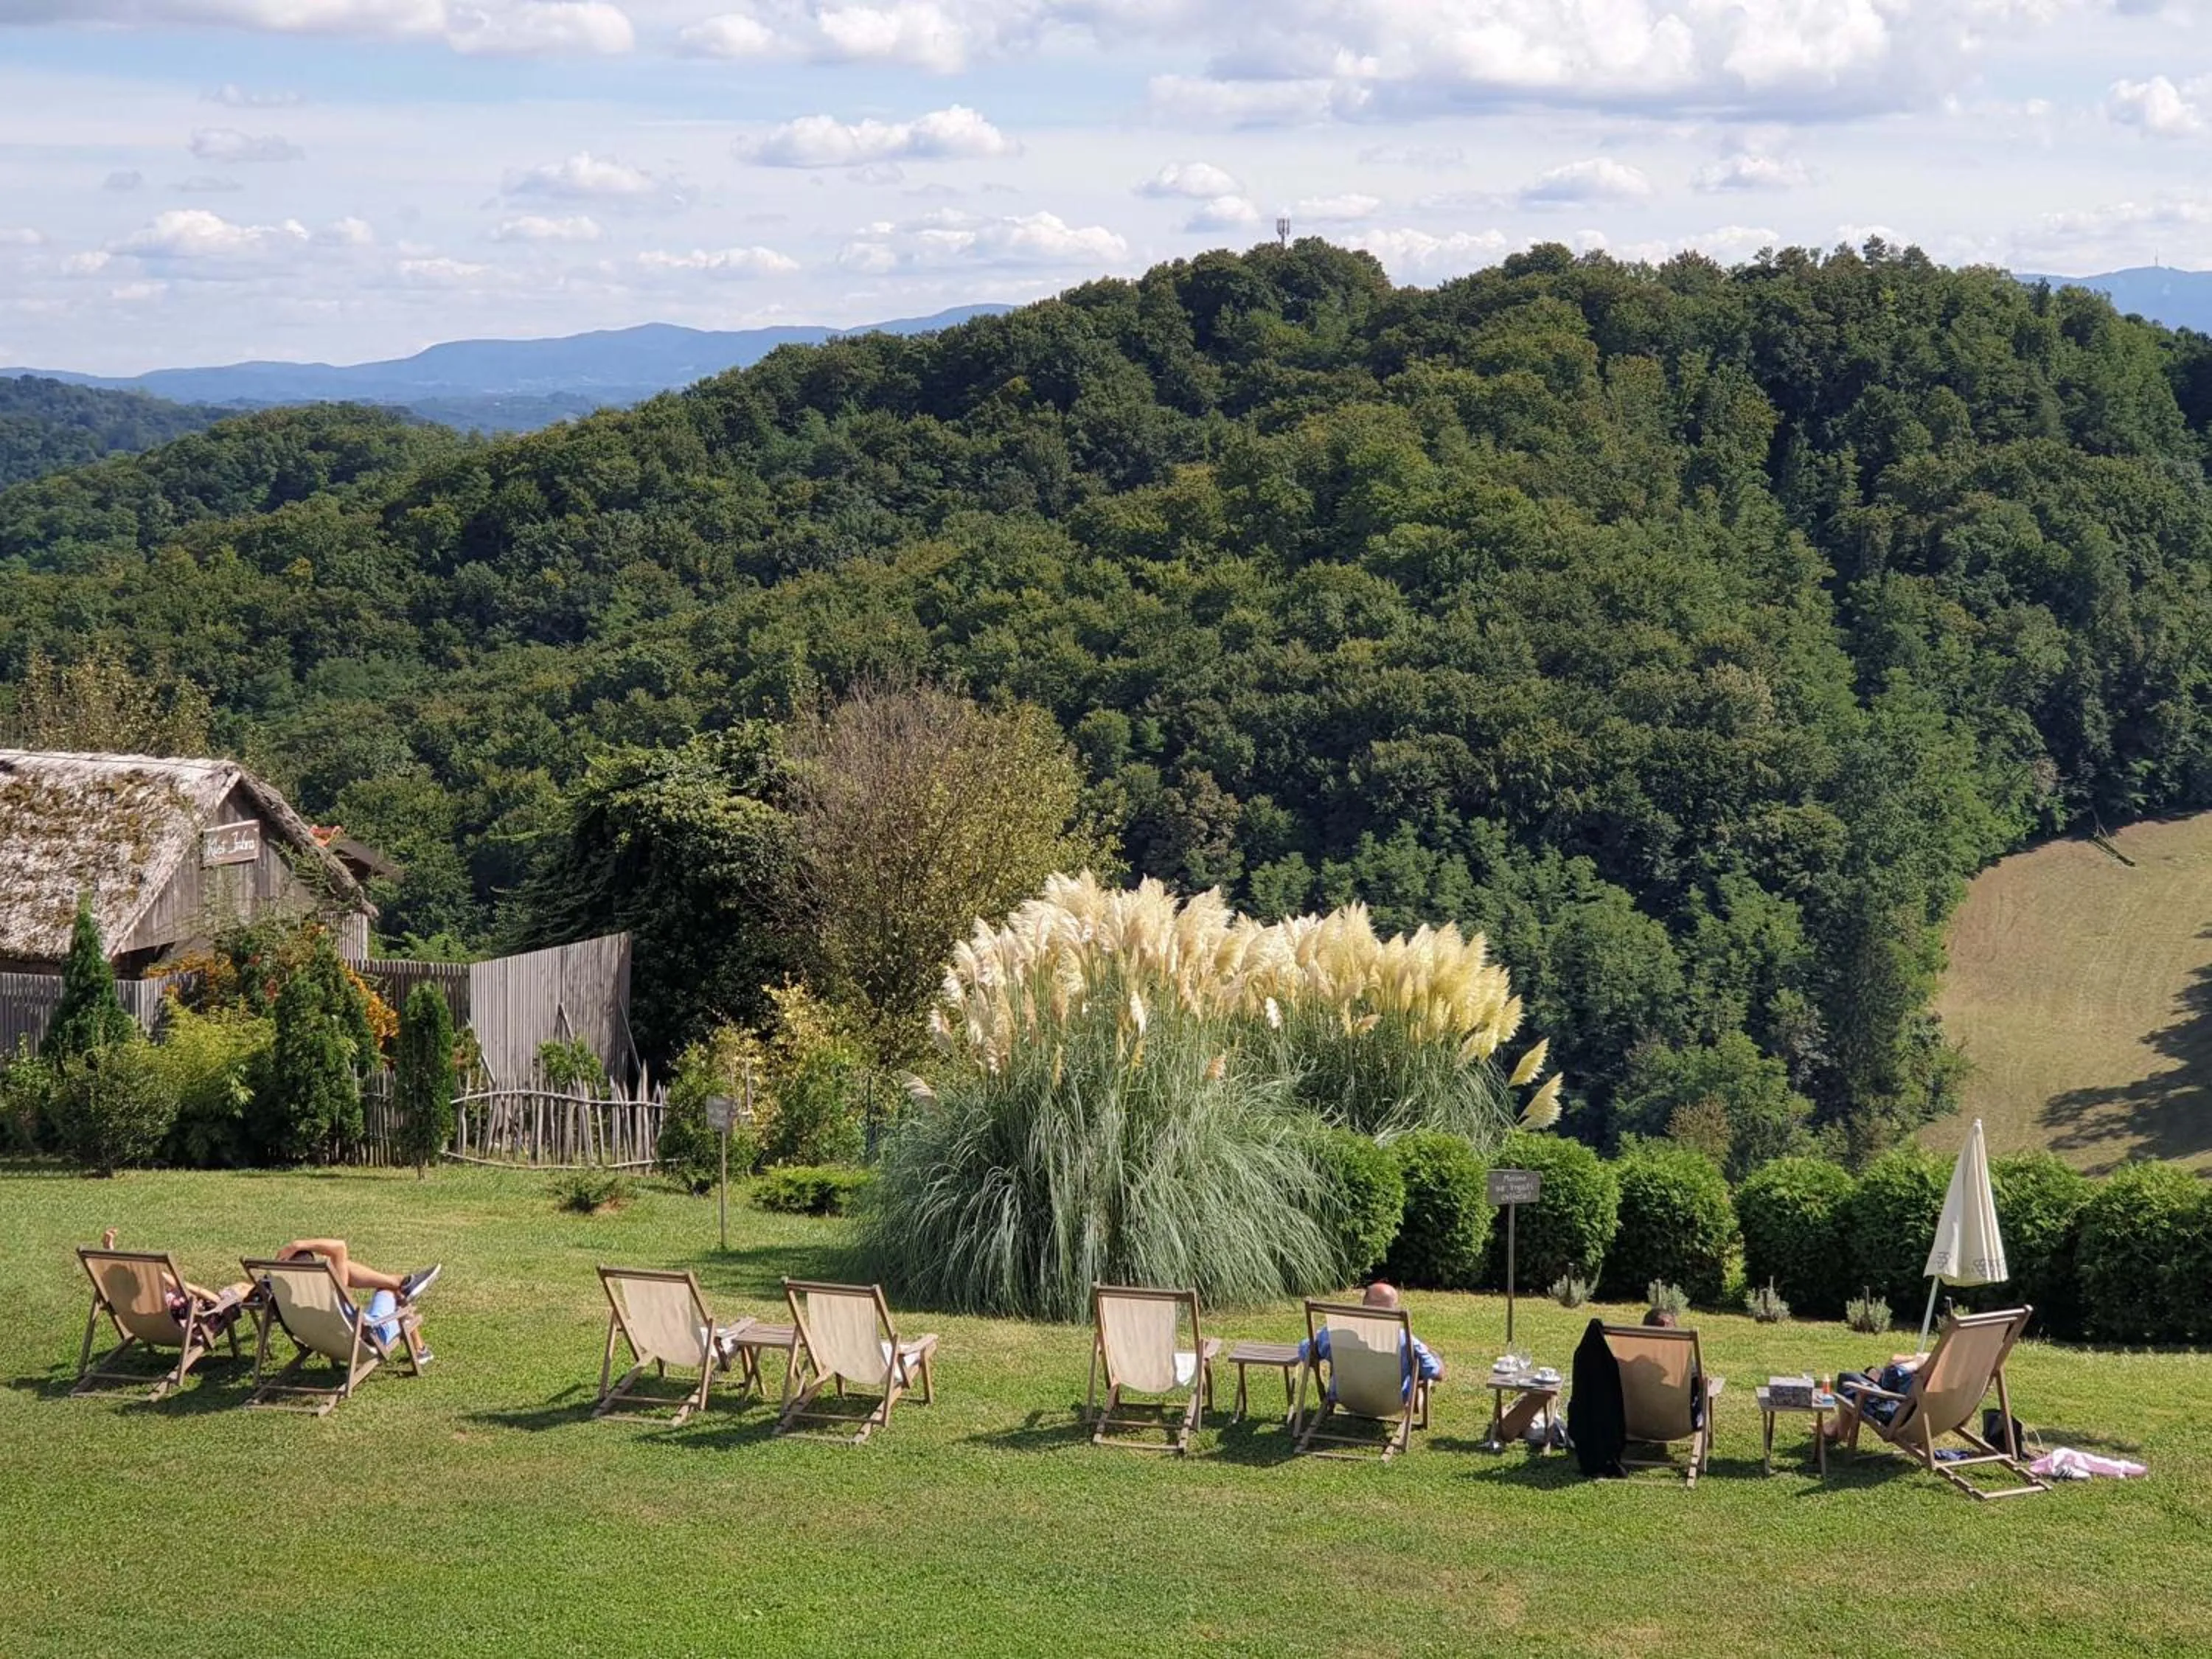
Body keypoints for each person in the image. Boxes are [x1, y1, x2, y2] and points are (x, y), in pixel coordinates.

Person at [260, 1239, 442, 1368]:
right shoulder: (330, 1294)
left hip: (323, 1342)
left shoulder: (286, 1299)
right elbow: (339, 1247)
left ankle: (405, 1283)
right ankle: (420, 1347)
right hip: (365, 1338)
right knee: (392, 1293)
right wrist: (298, 1245)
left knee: (344, 1265)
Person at [1298, 1280, 1444, 1401]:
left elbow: (1305, 1351)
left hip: (1346, 1397)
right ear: (1393, 1310)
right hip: (1390, 1403)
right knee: (1426, 1360)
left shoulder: (1334, 1334)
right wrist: (1431, 1354)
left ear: (1364, 1304)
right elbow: (1437, 1374)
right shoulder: (1407, 1341)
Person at [1823, 1349, 1926, 1441]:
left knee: (1848, 1379)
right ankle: (1834, 1426)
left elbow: (1890, 1377)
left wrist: (1917, 1362)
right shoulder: (1938, 1376)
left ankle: (1840, 1432)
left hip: (1894, 1416)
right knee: (1870, 1375)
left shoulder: (1929, 1367)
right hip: (1921, 1425)